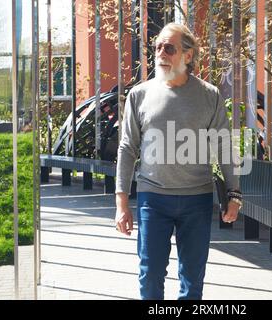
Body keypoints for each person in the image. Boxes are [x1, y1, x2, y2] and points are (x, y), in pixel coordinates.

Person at [114, 23, 242, 300]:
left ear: (188, 55)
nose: (161, 52)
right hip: (153, 199)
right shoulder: (139, 95)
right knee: (150, 274)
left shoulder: (209, 96)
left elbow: (223, 146)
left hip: (197, 199)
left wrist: (233, 194)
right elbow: (127, 148)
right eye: (157, 46)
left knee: (192, 279)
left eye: (168, 47)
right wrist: (121, 203)